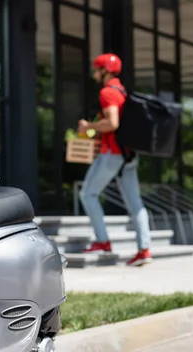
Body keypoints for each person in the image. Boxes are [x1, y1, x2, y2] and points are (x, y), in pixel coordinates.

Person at [77, 53, 152, 266]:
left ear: (104, 71)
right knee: (135, 204)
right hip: (128, 155)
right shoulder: (122, 91)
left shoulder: (108, 92)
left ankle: (102, 241)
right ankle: (144, 250)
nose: (94, 74)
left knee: (88, 194)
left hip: (112, 154)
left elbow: (112, 123)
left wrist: (88, 127)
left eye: (96, 69)